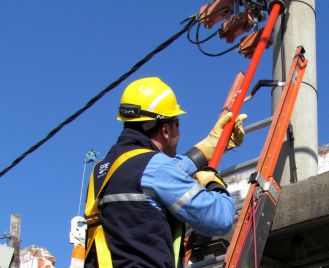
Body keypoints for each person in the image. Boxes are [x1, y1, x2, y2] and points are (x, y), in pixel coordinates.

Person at [84, 77, 247, 268]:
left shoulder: (103, 171)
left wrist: (209, 146)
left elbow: (163, 171)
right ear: (166, 129)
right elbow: (220, 219)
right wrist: (214, 182)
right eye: (177, 122)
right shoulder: (157, 168)